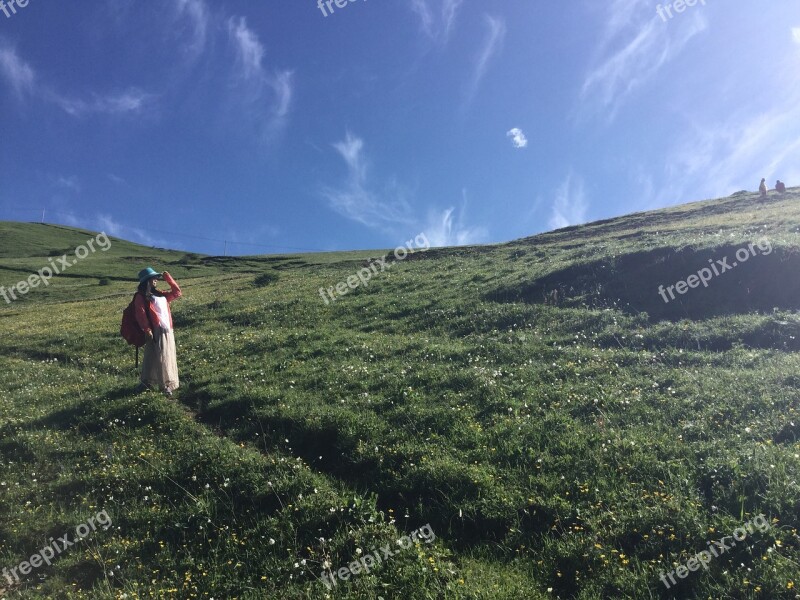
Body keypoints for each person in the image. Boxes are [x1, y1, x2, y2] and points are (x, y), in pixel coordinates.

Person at [134, 267, 182, 396]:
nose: (156, 280)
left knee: (164, 355)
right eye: (153, 278)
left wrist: (168, 279)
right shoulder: (141, 296)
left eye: (156, 278)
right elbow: (141, 314)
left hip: (167, 329)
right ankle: (163, 384)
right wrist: (147, 330)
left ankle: (152, 383)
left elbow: (177, 292)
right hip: (155, 329)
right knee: (159, 356)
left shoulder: (160, 294)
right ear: (146, 281)